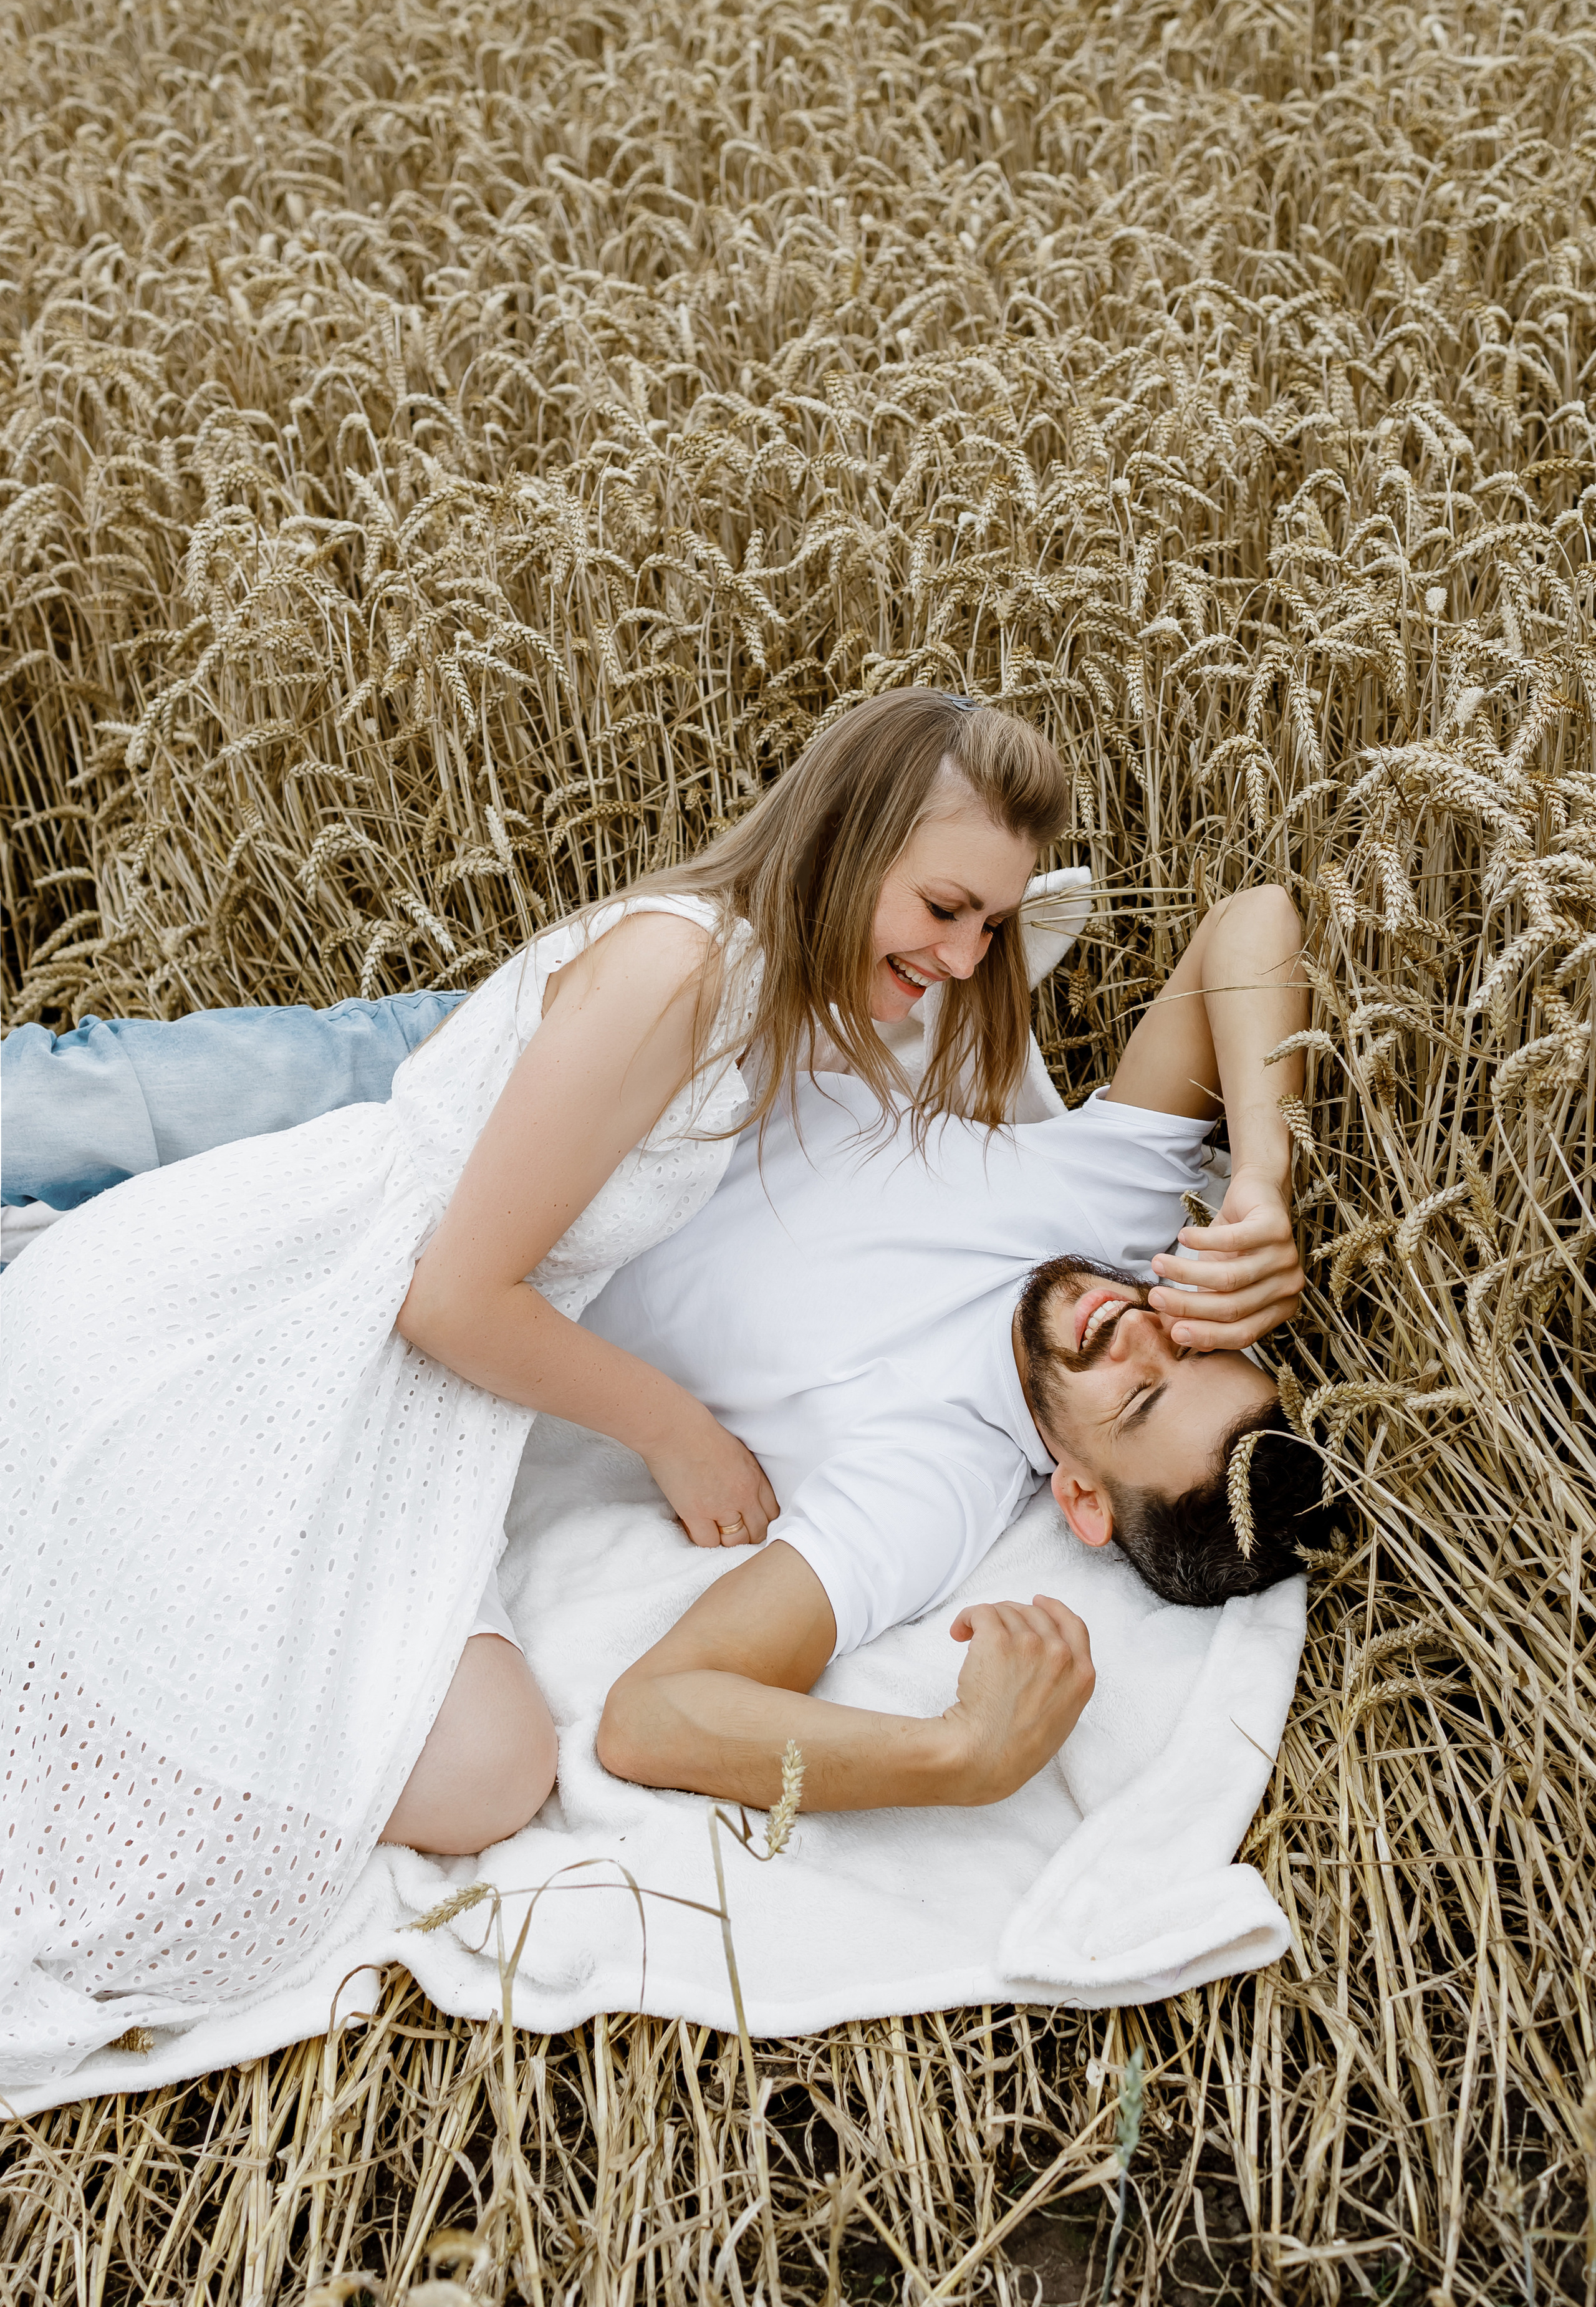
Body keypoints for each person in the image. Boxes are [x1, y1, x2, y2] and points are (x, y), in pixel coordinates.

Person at [0, 688, 1084, 2087]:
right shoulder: (684, 970)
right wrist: (673, 1430)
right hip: (297, 1316)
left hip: (409, 1388)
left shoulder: (782, 989)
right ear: (845, 839)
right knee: (323, 1797)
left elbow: (1076, 930)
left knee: (482, 1773)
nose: (962, 954)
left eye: (987, 927)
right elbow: (449, 1295)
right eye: (943, 908)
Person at [587, 880, 1320, 1812]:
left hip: (490, 1179)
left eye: (1140, 1399)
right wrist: (1262, 1177)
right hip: (651, 1010)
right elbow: (1252, 917)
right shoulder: (1115, 1217)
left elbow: (651, 1716)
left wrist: (963, 1757)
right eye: (1195, 1342)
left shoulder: (929, 1483)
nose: (1138, 1332)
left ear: (1082, 1500)